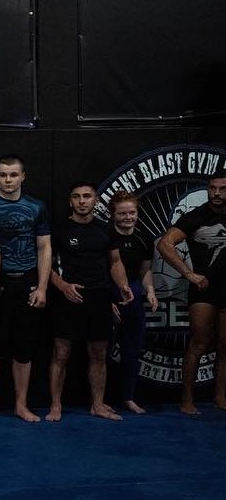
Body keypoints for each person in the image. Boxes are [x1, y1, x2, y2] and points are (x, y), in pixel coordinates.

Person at [46, 183, 133, 422]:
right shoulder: (59, 229)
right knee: (61, 353)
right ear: (70, 202)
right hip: (67, 297)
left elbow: (115, 262)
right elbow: (45, 265)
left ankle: (98, 404)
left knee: (98, 354)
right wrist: (63, 286)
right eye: (76, 197)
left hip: (99, 298)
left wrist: (123, 285)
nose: (82, 201)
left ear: (96, 200)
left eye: (87, 196)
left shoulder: (106, 230)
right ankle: (55, 405)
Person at [0, 154, 52, 422]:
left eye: (13, 175)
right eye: (3, 175)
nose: (8, 180)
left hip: (27, 282)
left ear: (23, 177)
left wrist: (42, 287)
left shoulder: (36, 207)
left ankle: (21, 405)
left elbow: (44, 247)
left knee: (24, 347)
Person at [157, 173, 226, 415]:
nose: (216, 193)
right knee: (199, 343)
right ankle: (186, 400)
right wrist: (188, 273)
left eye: (222, 189)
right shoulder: (196, 216)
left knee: (225, 346)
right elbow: (164, 244)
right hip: (204, 290)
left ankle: (220, 397)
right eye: (212, 188)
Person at [108, 191, 156, 414]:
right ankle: (100, 399)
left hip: (135, 292)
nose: (128, 217)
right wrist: (107, 300)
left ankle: (128, 397)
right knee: (103, 351)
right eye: (122, 214)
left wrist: (150, 291)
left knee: (132, 349)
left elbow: (145, 270)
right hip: (109, 292)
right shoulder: (106, 237)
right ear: (113, 215)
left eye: (132, 213)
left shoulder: (144, 238)